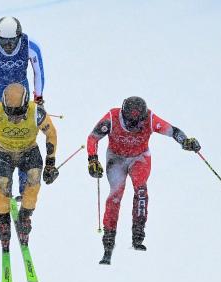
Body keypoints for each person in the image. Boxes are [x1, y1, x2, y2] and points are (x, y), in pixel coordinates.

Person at [86, 96, 201, 264]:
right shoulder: (112, 117)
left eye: (138, 123)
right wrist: (92, 160)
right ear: (123, 116)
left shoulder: (150, 118)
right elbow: (93, 138)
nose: (134, 126)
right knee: (116, 195)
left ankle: (138, 235)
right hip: (116, 158)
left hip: (139, 158)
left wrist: (186, 141)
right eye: (130, 123)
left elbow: (173, 131)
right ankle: (109, 240)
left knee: (141, 190)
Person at [0, 83, 58, 253]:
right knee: (3, 184)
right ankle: (3, 223)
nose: (15, 119)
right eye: (10, 114)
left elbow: (51, 133)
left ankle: (25, 216)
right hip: (3, 152)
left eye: (19, 114)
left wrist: (50, 164)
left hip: (29, 150)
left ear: (27, 105)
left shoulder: (37, 112)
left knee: (34, 179)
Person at [0, 16, 46, 199]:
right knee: (4, 132)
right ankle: (4, 182)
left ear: (19, 37)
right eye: (3, 42)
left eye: (12, 41)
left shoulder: (31, 46)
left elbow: (39, 72)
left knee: (24, 132)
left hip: (21, 90)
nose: (8, 46)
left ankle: (23, 185)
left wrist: (39, 98)